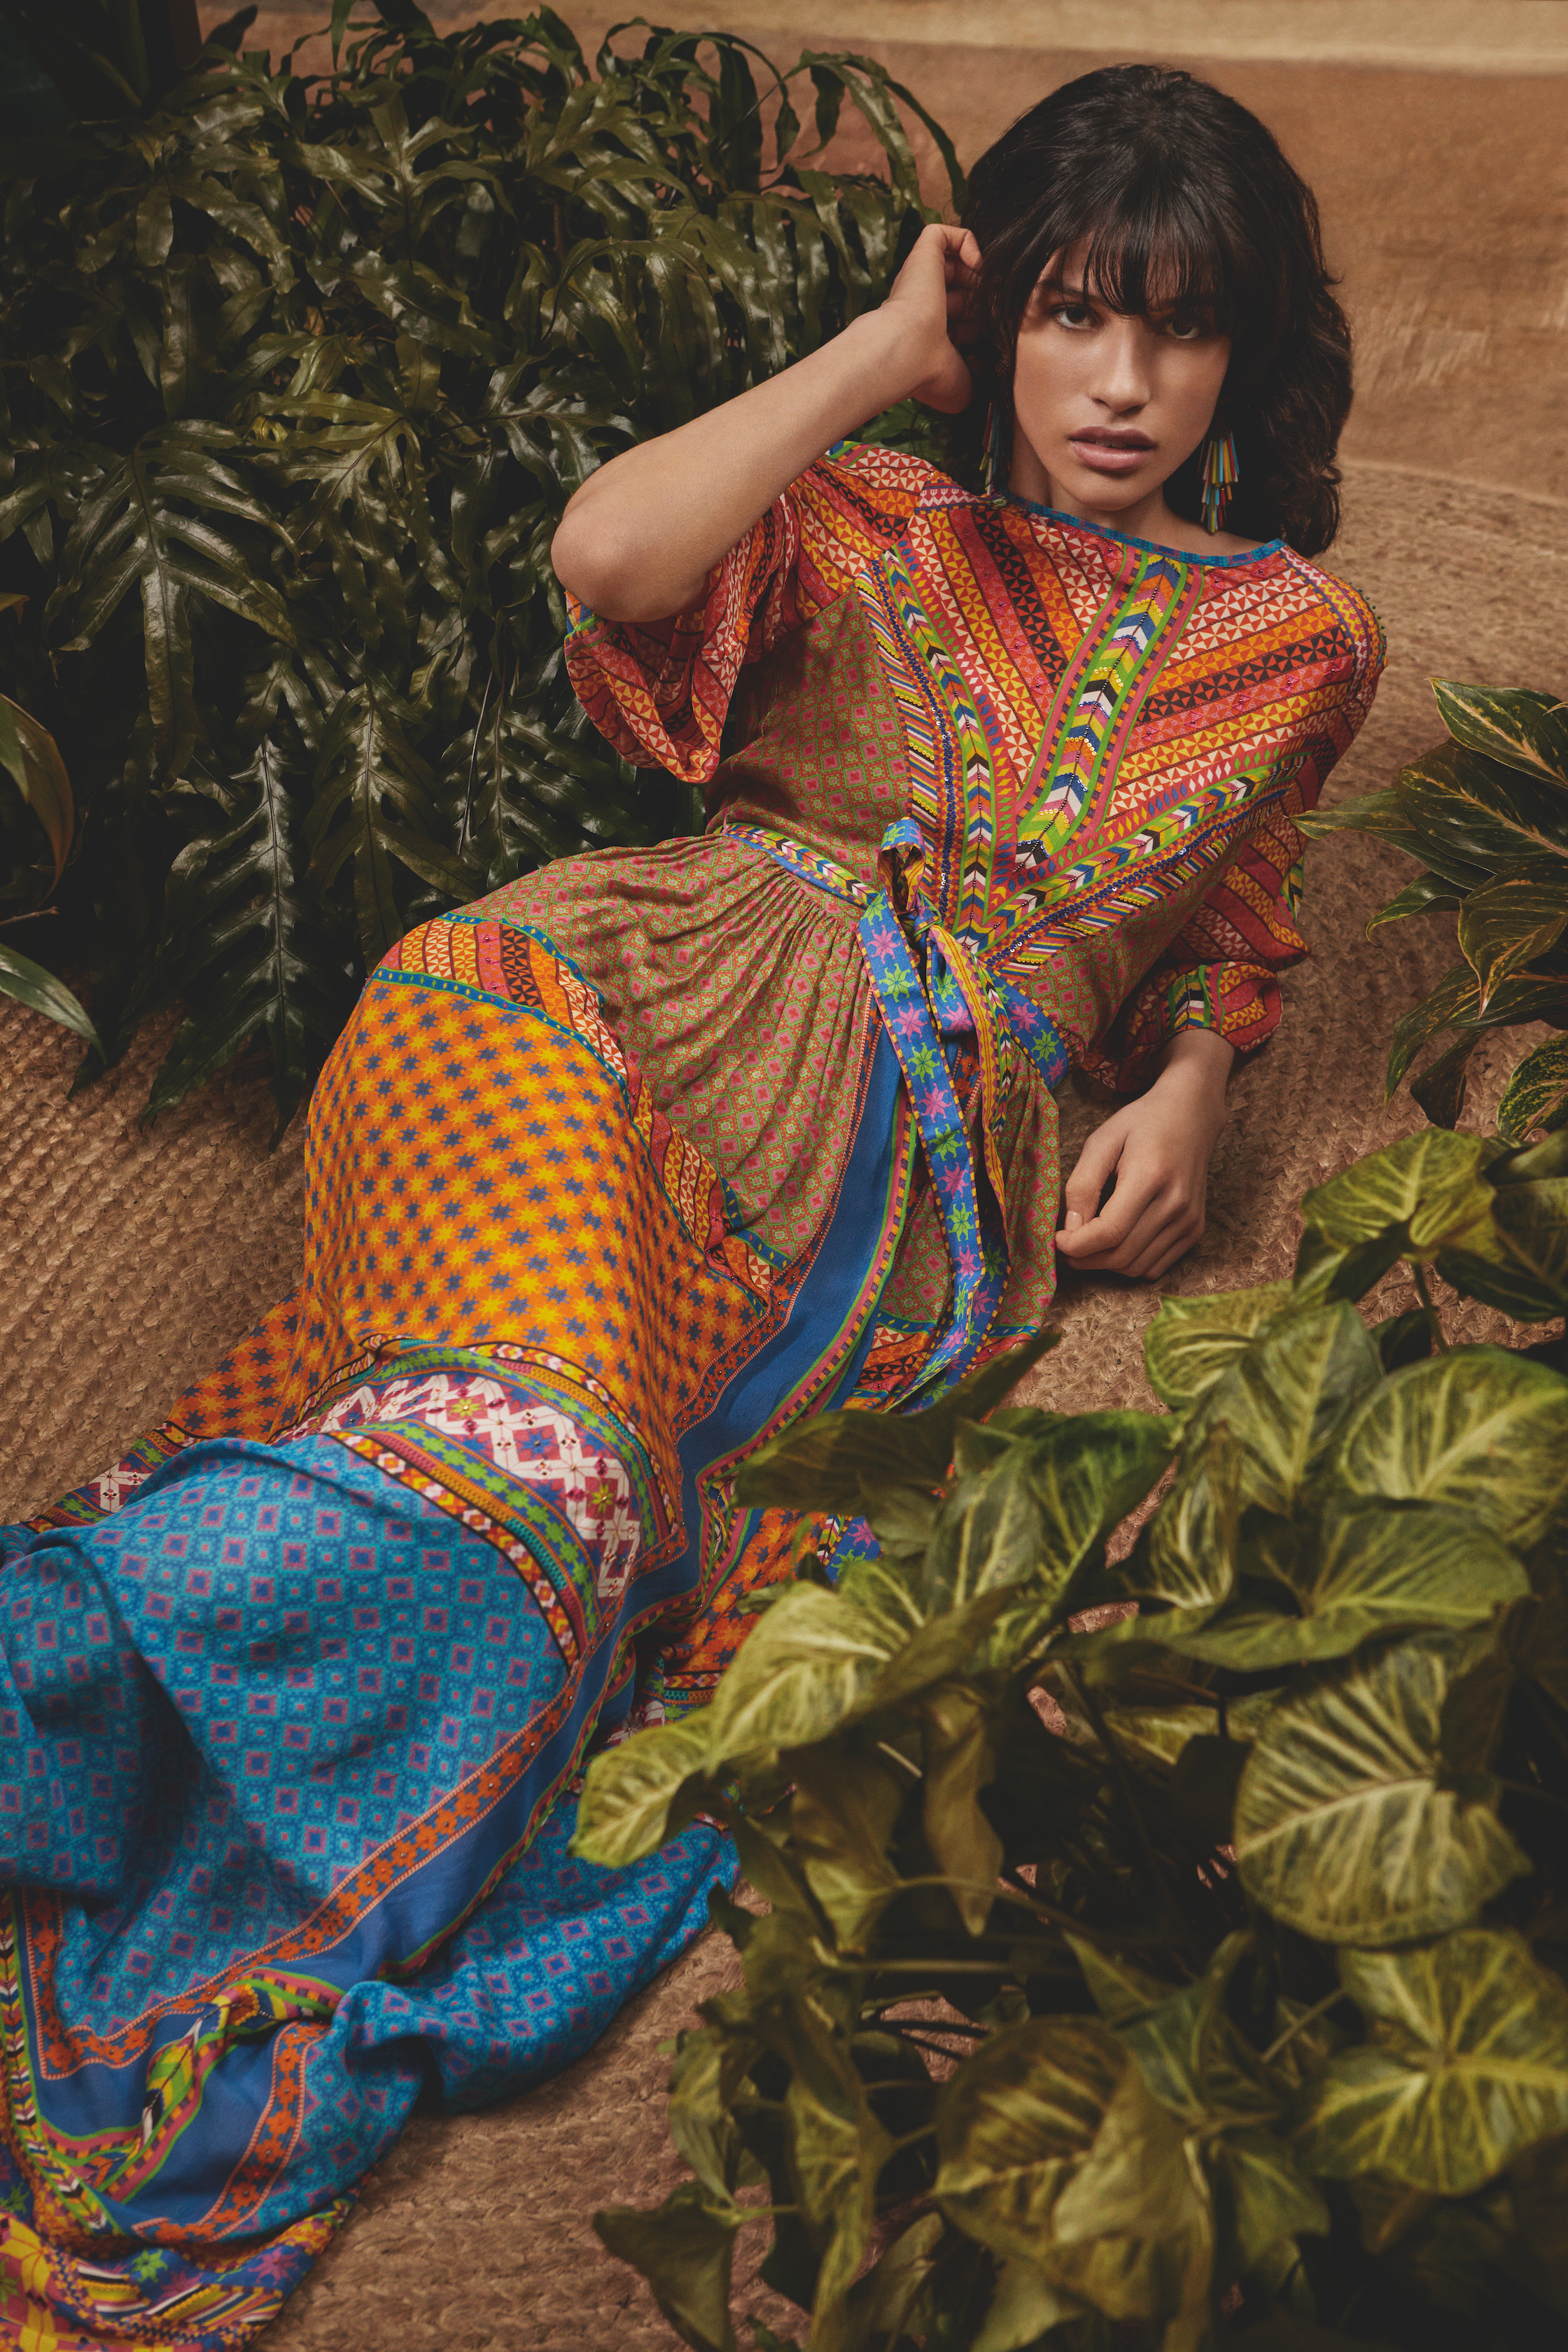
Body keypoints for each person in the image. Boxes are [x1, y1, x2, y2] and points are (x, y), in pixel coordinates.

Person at [0, 64, 1380, 2347]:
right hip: (583, 1012)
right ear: (989, 317)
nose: (1123, 382)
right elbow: (607, 563)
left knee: (574, 1562)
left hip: (883, 1259)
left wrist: (1214, 1082)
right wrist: (879, 356)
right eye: (1066, 314)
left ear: (1248, 354)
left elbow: (1234, 916)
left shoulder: (1305, 644)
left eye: (1183, 327)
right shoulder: (860, 514)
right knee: (527, 1480)